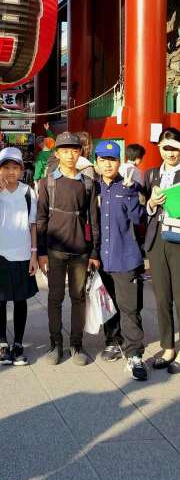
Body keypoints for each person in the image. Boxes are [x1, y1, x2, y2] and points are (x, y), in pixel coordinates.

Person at [37, 131, 100, 366]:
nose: (70, 155)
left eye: (74, 150)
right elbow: (41, 219)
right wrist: (41, 252)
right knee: (55, 297)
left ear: (80, 152)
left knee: (78, 297)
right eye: (65, 151)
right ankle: (55, 344)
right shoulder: (48, 183)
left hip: (80, 251)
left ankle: (76, 344)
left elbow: (94, 219)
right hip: (54, 250)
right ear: (57, 154)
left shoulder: (88, 183)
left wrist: (94, 252)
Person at [95, 141, 147, 381]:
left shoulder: (128, 187)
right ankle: (113, 340)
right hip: (101, 258)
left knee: (129, 307)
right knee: (108, 305)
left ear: (119, 162)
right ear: (96, 162)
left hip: (125, 257)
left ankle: (134, 353)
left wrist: (131, 194)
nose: (107, 164)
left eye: (112, 160)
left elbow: (138, 218)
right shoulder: (93, 187)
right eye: (103, 160)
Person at [0, 147, 38, 367]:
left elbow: (33, 225)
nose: (11, 171)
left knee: (20, 300)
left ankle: (18, 343)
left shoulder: (28, 192)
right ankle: (2, 343)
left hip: (23, 253)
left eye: (15, 167)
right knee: (0, 300)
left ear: (22, 170)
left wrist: (34, 254)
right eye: (6, 167)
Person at [143, 127, 180, 372]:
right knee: (162, 297)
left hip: (178, 240)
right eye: (166, 148)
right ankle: (168, 347)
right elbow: (144, 208)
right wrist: (151, 203)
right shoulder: (151, 174)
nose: (171, 153)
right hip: (157, 240)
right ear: (159, 148)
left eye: (175, 148)